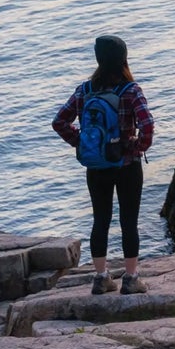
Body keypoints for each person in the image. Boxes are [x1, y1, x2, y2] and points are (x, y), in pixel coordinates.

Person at [52, 34, 153, 295]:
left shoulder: (85, 90)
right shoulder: (130, 90)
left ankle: (100, 278)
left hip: (96, 166)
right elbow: (148, 124)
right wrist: (136, 146)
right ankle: (131, 280)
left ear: (98, 59)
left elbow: (59, 122)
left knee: (101, 220)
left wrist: (82, 143)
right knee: (129, 222)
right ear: (123, 58)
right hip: (127, 165)